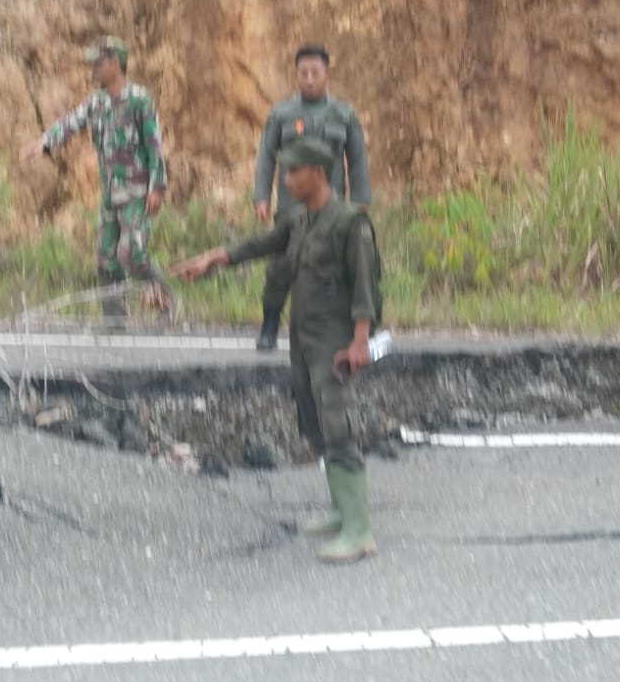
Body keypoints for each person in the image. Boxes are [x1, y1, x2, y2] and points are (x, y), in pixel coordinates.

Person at [174, 137, 382, 564]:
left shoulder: (349, 224)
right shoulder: (301, 219)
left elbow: (367, 289)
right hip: (303, 339)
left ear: (317, 174)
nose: (285, 180)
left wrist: (360, 342)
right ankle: (340, 510)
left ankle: (360, 530)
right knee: (315, 424)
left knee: (339, 427)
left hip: (334, 340)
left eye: (292, 172)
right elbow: (263, 245)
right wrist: (216, 258)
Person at [21, 36, 169, 328]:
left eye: (98, 64)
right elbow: (71, 122)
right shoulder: (97, 103)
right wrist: (44, 143)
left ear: (115, 64)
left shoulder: (139, 100)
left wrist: (158, 187)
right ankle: (115, 320)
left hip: (137, 193)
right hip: (111, 194)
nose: (93, 69)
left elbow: (155, 145)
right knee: (106, 257)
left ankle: (167, 302)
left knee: (132, 254)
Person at [251, 45, 371, 350]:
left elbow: (357, 160)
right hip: (291, 208)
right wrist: (262, 196)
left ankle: (333, 331)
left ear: (327, 74)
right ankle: (269, 325)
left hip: (333, 210)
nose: (309, 79)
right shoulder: (282, 114)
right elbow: (267, 156)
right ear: (295, 76)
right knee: (281, 265)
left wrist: (360, 201)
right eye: (303, 73)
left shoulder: (343, 114)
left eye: (315, 73)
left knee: (333, 269)